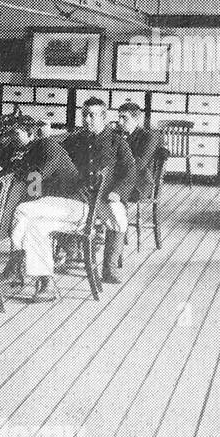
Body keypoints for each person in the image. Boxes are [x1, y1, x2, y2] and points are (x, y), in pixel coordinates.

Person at [9, 98, 133, 300]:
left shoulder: (116, 142)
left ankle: (108, 267)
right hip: (73, 200)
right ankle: (44, 282)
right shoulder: (76, 139)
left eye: (92, 115)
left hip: (93, 201)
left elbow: (129, 171)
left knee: (23, 210)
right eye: (84, 114)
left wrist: (118, 192)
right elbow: (56, 154)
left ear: (104, 117)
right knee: (35, 226)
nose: (87, 119)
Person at [112, 102, 166, 271]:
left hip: (140, 184)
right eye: (119, 117)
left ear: (137, 119)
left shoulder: (148, 137)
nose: (120, 122)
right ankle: (99, 234)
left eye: (124, 118)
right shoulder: (118, 134)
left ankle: (113, 253)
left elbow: (138, 165)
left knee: (108, 197)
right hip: (121, 180)